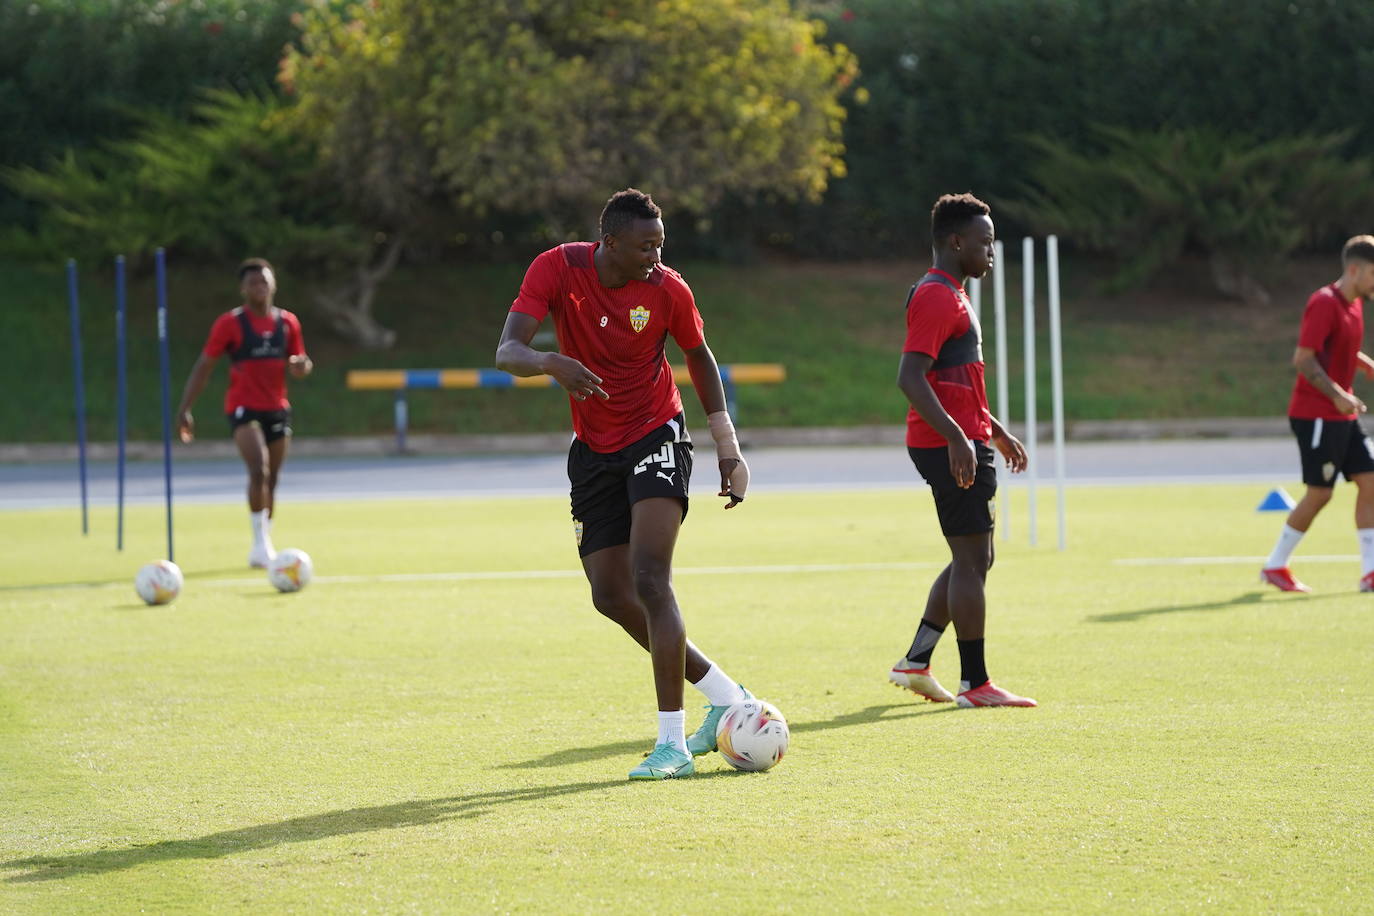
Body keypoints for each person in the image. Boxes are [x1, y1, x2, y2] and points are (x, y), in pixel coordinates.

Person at [495, 188, 753, 780]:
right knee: (610, 594)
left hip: (657, 433)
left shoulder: (667, 289)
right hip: (593, 451)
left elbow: (699, 356)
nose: (656, 258)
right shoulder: (557, 268)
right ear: (607, 241)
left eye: (661, 246)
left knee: (650, 579)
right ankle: (725, 694)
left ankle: (673, 746)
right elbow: (507, 349)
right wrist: (548, 362)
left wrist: (727, 446)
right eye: (645, 247)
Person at [887, 192, 1036, 708]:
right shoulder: (935, 295)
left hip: (963, 438)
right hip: (947, 444)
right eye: (985, 242)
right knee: (973, 559)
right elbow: (910, 377)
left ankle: (916, 660)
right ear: (956, 242)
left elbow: (956, 381)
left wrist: (993, 429)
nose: (990, 252)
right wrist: (957, 436)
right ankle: (976, 683)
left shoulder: (952, 293)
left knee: (974, 555)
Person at [175, 258, 313, 568]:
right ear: (243, 289)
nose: (259, 287)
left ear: (273, 284)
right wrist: (185, 408)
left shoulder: (288, 322)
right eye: (253, 283)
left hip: (277, 408)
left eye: (264, 281)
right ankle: (259, 544)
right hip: (243, 407)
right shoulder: (230, 324)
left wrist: (302, 366)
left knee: (273, 479)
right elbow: (204, 366)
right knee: (258, 470)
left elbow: (300, 363)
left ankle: (265, 539)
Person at [1260, 235, 1374, 593]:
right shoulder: (1324, 302)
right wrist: (1338, 395)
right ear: (1353, 269)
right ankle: (1275, 565)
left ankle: (1370, 572)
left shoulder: (1354, 305)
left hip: (1343, 413)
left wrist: (1364, 363)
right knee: (1320, 493)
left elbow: (1339, 346)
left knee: (1371, 483)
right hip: (1316, 415)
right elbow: (1304, 358)